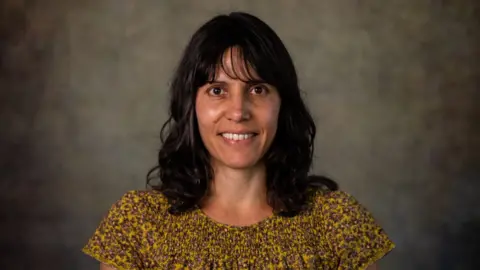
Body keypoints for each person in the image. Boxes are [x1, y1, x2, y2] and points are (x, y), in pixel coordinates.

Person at [83, 12, 395, 269]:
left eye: (257, 89)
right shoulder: (137, 223)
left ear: (282, 103)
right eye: (217, 90)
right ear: (191, 105)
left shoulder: (338, 224)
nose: (238, 111)